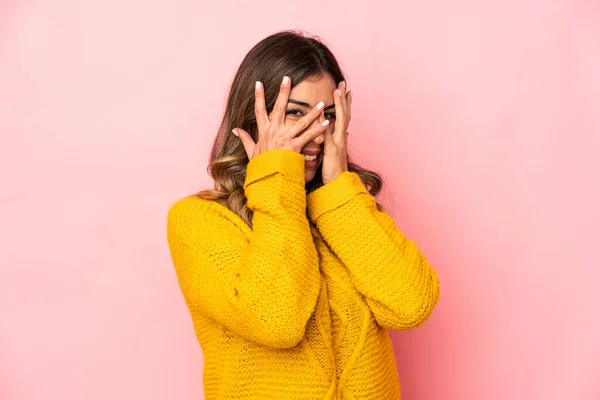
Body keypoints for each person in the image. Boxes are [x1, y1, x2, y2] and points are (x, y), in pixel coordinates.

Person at [166, 30, 440, 400]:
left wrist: (340, 186)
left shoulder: (345, 207)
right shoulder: (197, 221)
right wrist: (277, 172)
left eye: (327, 115)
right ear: (253, 116)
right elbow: (277, 320)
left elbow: (411, 305)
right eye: (295, 113)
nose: (314, 134)